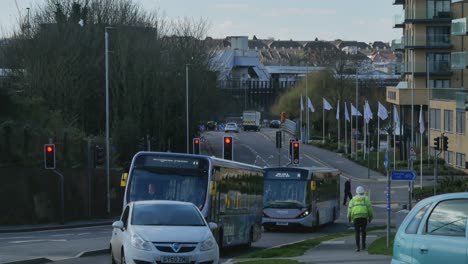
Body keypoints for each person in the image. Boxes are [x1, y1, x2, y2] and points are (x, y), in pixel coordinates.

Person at [347, 186, 373, 252]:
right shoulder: (366, 198)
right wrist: (370, 217)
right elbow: (370, 209)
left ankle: (358, 247)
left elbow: (349, 209)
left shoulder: (352, 199)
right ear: (363, 192)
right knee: (363, 231)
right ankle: (363, 246)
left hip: (356, 218)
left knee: (357, 232)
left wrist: (349, 218)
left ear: (356, 192)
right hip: (364, 217)